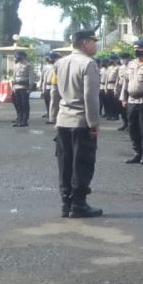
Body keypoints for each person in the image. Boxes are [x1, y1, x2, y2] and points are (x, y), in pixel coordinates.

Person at [50, 30, 103, 218]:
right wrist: (94, 123)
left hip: (63, 120)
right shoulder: (88, 64)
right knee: (82, 163)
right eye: (94, 42)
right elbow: (90, 97)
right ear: (85, 42)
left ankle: (66, 203)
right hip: (81, 121)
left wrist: (53, 117)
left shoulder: (59, 63)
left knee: (64, 163)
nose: (96, 46)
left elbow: (54, 93)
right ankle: (79, 204)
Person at [11, 50, 32, 127]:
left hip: (24, 87)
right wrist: (12, 87)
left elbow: (31, 77)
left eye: (18, 56)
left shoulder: (28, 65)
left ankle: (25, 120)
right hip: (16, 87)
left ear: (23, 56)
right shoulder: (16, 65)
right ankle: (19, 119)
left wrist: (29, 88)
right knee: (18, 103)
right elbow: (13, 77)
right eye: (16, 56)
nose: (17, 57)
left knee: (24, 104)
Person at [115, 52, 132, 131]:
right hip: (121, 88)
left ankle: (130, 124)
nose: (122, 60)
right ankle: (125, 123)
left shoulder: (132, 66)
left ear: (128, 58)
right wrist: (116, 89)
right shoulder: (121, 68)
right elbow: (117, 79)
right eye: (121, 58)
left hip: (129, 88)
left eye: (123, 58)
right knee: (121, 108)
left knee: (128, 108)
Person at [41, 53, 59, 123]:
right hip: (48, 85)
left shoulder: (57, 65)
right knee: (48, 102)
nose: (49, 59)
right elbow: (43, 77)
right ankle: (50, 114)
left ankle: (53, 117)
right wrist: (43, 87)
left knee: (53, 103)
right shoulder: (46, 67)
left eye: (50, 58)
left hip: (54, 85)